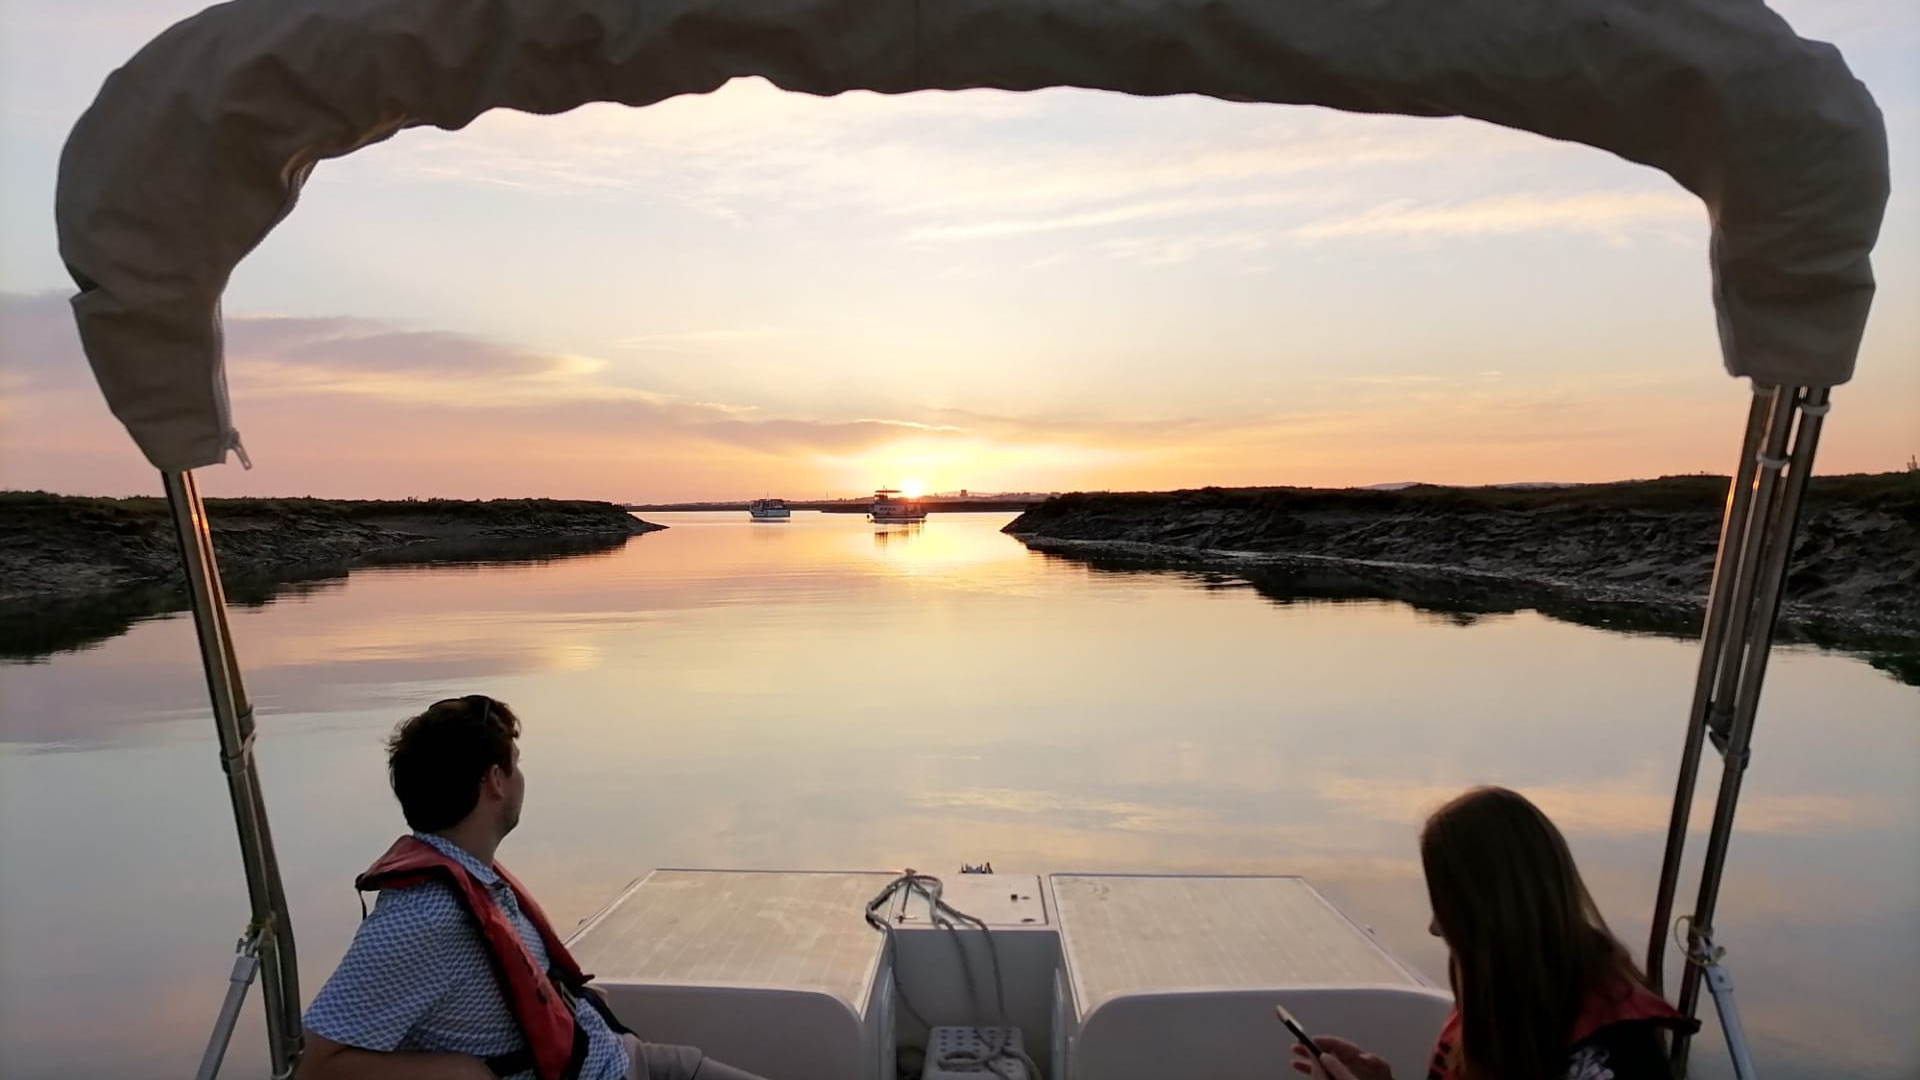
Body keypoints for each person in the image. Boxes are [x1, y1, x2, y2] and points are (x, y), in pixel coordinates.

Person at [296, 695, 766, 1080]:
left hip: (620, 1058)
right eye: (514, 764)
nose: (521, 777)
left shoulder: (478, 877)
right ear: (495, 781)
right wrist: (458, 1073)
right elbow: (317, 1067)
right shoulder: (422, 916)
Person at [1291, 786, 1695, 1080]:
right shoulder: (1515, 1005)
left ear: (1485, 915)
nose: (1435, 927)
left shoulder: (1610, 1058)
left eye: (1446, 905)